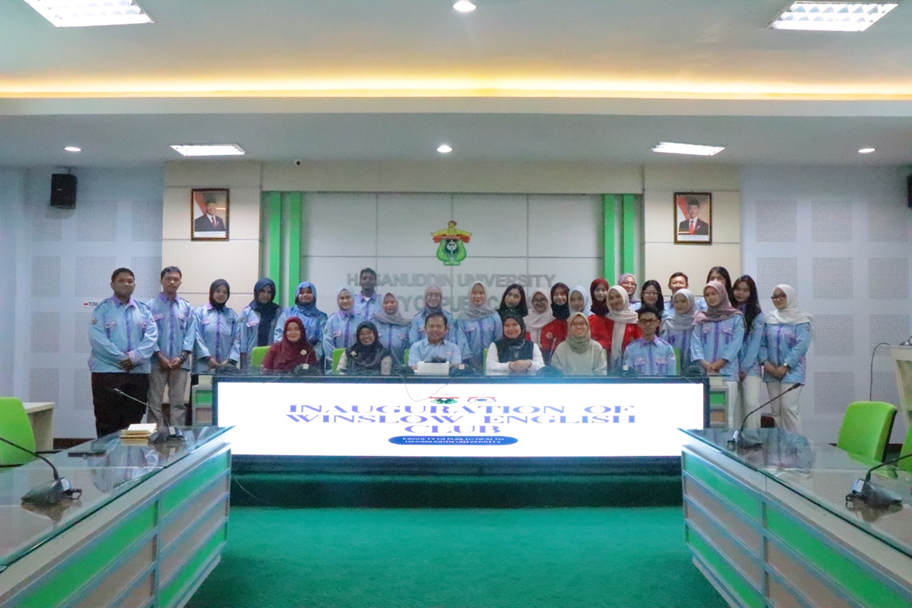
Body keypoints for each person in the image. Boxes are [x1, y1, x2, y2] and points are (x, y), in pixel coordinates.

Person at [89, 268, 158, 437]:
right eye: (121, 281)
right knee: (107, 421)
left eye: (130, 281)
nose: (126, 284)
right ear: (112, 284)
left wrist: (135, 358)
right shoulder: (101, 310)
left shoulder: (143, 310)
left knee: (134, 423)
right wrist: (121, 359)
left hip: (137, 374)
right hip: (107, 374)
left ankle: (132, 461)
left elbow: (152, 336)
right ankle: (107, 462)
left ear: (134, 285)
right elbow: (98, 340)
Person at [146, 266, 196, 427]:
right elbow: (147, 335)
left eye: (176, 279)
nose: (172, 282)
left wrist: (182, 357)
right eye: (168, 278)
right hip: (156, 363)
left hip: (179, 364)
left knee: (178, 403)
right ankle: (154, 437)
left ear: (180, 282)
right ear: (161, 281)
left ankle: (177, 435)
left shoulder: (186, 307)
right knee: (154, 402)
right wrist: (158, 356)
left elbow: (191, 333)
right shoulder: (150, 306)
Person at [759, 285, 812, 433]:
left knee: (788, 409)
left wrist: (786, 365)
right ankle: (781, 447)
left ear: (790, 297)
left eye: (782, 296)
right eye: (775, 296)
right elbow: (761, 343)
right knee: (776, 412)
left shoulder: (802, 319)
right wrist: (766, 364)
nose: (778, 299)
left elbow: (801, 345)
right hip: (771, 371)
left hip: (792, 371)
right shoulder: (769, 319)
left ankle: (796, 447)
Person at [691, 280, 744, 382]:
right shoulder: (700, 317)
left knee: (729, 398)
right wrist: (704, 363)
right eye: (707, 295)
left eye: (714, 293)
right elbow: (695, 341)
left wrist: (721, 362)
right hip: (706, 371)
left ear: (722, 293)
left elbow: (736, 343)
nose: (711, 297)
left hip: (728, 371)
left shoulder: (735, 316)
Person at [733, 275, 765, 429]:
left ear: (751, 292)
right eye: (738, 289)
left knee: (751, 404)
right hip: (732, 366)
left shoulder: (757, 314)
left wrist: (744, 368)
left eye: (745, 290)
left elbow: (755, 344)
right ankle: (737, 443)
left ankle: (753, 440)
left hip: (750, 368)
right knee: (735, 407)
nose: (740, 293)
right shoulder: (729, 312)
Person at [192, 279, 241, 374]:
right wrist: (207, 358)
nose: (221, 294)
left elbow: (238, 339)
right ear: (211, 292)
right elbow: (196, 336)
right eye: (218, 291)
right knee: (201, 389)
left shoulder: (232, 315)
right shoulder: (199, 312)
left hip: (226, 367)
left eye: (225, 292)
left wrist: (229, 360)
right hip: (203, 366)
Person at [274, 281, 328, 362]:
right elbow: (279, 336)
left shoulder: (321, 317)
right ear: (296, 296)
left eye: (309, 292)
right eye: (302, 293)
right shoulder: (287, 313)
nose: (305, 295)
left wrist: (311, 357)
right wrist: (290, 355)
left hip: (313, 359)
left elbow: (323, 341)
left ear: (314, 295)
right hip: (288, 358)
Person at [590, 285, 641, 369]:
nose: (615, 301)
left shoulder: (635, 320)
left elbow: (639, 344)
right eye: (611, 298)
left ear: (625, 297)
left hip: (632, 366)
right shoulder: (605, 320)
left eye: (618, 296)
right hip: (609, 366)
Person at [408, 285, 465, 357]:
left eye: (437, 295)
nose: (433, 298)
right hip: (422, 360)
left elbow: (453, 340)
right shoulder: (417, 319)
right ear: (425, 297)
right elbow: (413, 341)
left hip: (445, 360)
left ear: (441, 298)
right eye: (430, 295)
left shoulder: (449, 318)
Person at [455, 282, 502, 368]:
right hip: (469, 365)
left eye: (481, 293)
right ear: (469, 295)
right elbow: (462, 342)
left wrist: (493, 359)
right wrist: (470, 361)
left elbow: (498, 340)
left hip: (492, 363)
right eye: (474, 293)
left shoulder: (494, 316)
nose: (478, 296)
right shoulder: (462, 318)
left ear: (486, 295)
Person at [238, 277, 281, 371]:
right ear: (256, 292)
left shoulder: (278, 312)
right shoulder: (247, 311)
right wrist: (243, 358)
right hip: (251, 357)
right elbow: (243, 337)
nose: (265, 295)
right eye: (262, 291)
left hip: (272, 356)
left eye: (269, 292)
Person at [623, 306, 677, 376]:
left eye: (651, 321)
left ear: (658, 323)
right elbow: (627, 374)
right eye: (644, 321)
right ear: (638, 323)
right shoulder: (630, 349)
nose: (647, 324)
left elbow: (672, 375)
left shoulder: (667, 349)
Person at [322, 287, 364, 372]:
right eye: (342, 298)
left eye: (348, 297)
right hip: (334, 367)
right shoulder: (332, 320)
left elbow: (363, 344)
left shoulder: (361, 320)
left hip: (356, 367)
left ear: (353, 299)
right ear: (338, 300)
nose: (345, 301)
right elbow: (327, 344)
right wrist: (336, 363)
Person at [660, 288, 697, 371]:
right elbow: (663, 348)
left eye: (683, 301)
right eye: (676, 302)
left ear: (690, 302)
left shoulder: (698, 322)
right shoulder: (668, 323)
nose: (679, 305)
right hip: (673, 365)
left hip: (694, 366)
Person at [371, 292, 411, 364]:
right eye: (386, 303)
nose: (389, 305)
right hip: (377, 368)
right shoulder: (375, 322)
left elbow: (408, 348)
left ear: (397, 304)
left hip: (398, 368)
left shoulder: (405, 325)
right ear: (382, 305)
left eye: (392, 302)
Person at [540, 282, 571, 364]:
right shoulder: (548, 317)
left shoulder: (573, 317)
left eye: (562, 294)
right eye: (556, 294)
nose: (559, 297)